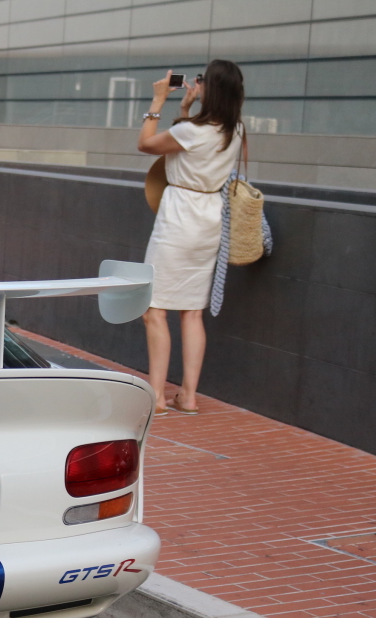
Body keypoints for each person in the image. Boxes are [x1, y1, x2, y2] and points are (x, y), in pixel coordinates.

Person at [136, 60, 245, 416]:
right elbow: (193, 138)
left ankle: (156, 394)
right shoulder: (236, 130)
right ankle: (189, 396)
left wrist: (157, 102)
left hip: (179, 218)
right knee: (192, 313)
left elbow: (147, 145)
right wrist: (185, 109)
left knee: (154, 309)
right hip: (209, 220)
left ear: (210, 90)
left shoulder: (194, 131)